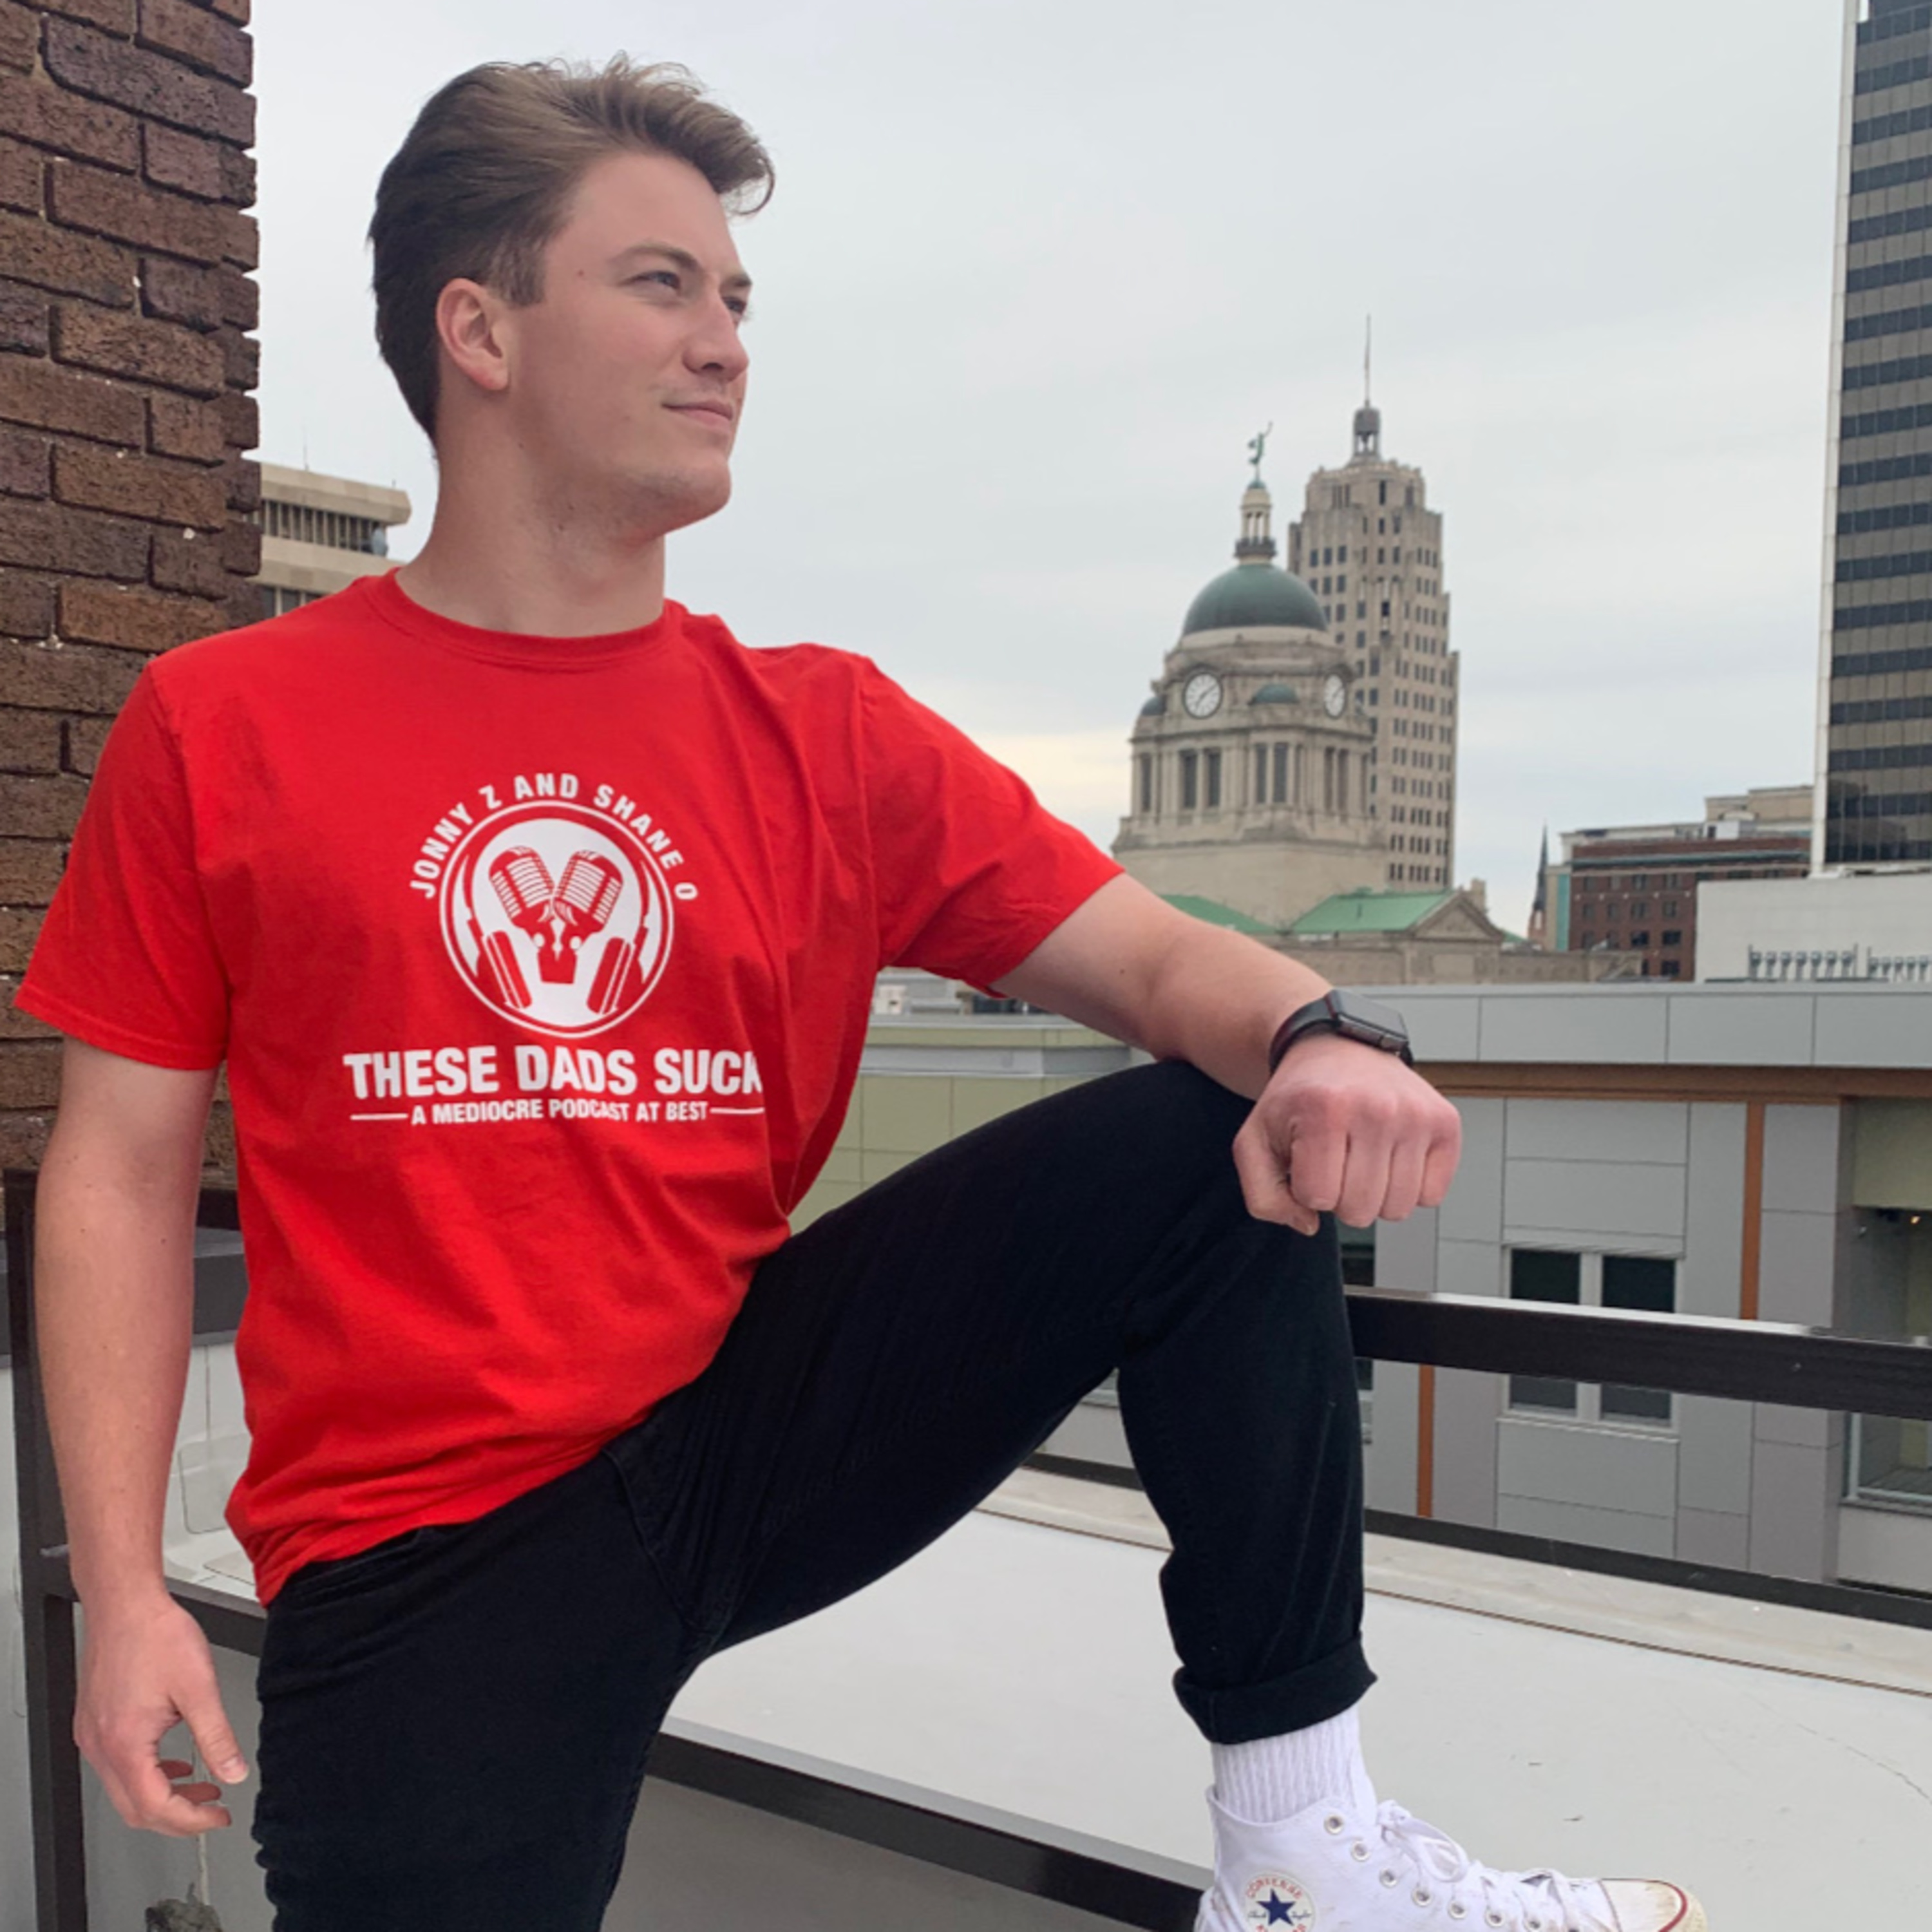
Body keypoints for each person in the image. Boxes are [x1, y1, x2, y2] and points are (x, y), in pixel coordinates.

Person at [17, 55, 1705, 1932]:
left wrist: (1321, 1036)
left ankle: (1304, 1845)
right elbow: (119, 1170)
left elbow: (1159, 961)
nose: (725, 343)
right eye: (662, 284)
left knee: (1210, 1144)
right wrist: (124, 1588)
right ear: (478, 330)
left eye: (738, 298)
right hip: (435, 1549)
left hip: (744, 1425)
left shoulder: (820, 730)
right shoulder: (226, 724)